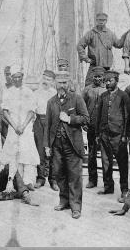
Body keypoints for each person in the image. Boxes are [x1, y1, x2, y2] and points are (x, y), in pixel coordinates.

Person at [45, 71, 89, 219]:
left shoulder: (76, 99)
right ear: (55, 84)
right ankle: (64, 201)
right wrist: (47, 145)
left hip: (73, 145)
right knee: (58, 173)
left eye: (64, 83)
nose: (62, 85)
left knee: (75, 176)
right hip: (56, 145)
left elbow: (86, 118)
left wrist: (70, 119)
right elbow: (48, 126)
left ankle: (76, 207)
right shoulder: (51, 102)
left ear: (69, 83)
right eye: (59, 83)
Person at [95, 70, 130, 202]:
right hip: (104, 133)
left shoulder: (123, 96)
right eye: (105, 81)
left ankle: (124, 189)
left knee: (122, 163)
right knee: (105, 162)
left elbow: (127, 116)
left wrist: (125, 135)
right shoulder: (103, 96)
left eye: (110, 80)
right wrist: (98, 134)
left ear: (116, 81)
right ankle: (108, 186)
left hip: (118, 135)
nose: (107, 83)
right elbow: (98, 115)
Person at [1, 66, 40, 189]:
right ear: (11, 78)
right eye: (14, 77)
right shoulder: (8, 92)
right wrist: (14, 125)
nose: (17, 79)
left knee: (27, 152)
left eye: (19, 77)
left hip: (26, 127)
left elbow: (32, 111)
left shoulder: (28, 92)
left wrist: (23, 126)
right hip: (13, 127)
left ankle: (28, 181)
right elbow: (5, 111)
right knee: (13, 153)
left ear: (22, 77)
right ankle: (15, 181)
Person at [77, 12, 125, 87]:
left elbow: (118, 44)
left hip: (106, 67)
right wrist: (86, 58)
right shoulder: (91, 33)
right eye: (99, 20)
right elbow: (80, 45)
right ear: (96, 20)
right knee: (89, 85)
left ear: (106, 21)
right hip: (94, 66)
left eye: (103, 20)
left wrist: (125, 36)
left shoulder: (110, 34)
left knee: (107, 87)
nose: (101, 22)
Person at [32, 70, 58, 190]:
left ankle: (53, 179)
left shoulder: (55, 93)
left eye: (48, 79)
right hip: (39, 121)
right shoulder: (36, 93)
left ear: (52, 81)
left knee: (53, 150)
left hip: (52, 122)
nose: (45, 82)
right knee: (40, 150)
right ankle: (40, 178)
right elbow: (32, 110)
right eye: (44, 78)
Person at [81, 66, 107, 189]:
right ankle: (92, 180)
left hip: (103, 127)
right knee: (91, 153)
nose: (97, 78)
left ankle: (107, 182)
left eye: (100, 76)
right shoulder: (87, 90)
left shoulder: (107, 89)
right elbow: (81, 107)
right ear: (92, 77)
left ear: (103, 77)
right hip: (91, 126)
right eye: (95, 76)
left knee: (105, 154)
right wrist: (84, 123)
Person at [0, 65, 13, 146]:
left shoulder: (17, 87)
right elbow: (0, 103)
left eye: (10, 74)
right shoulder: (2, 87)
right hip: (4, 118)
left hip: (14, 118)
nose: (9, 76)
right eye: (7, 74)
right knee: (4, 138)